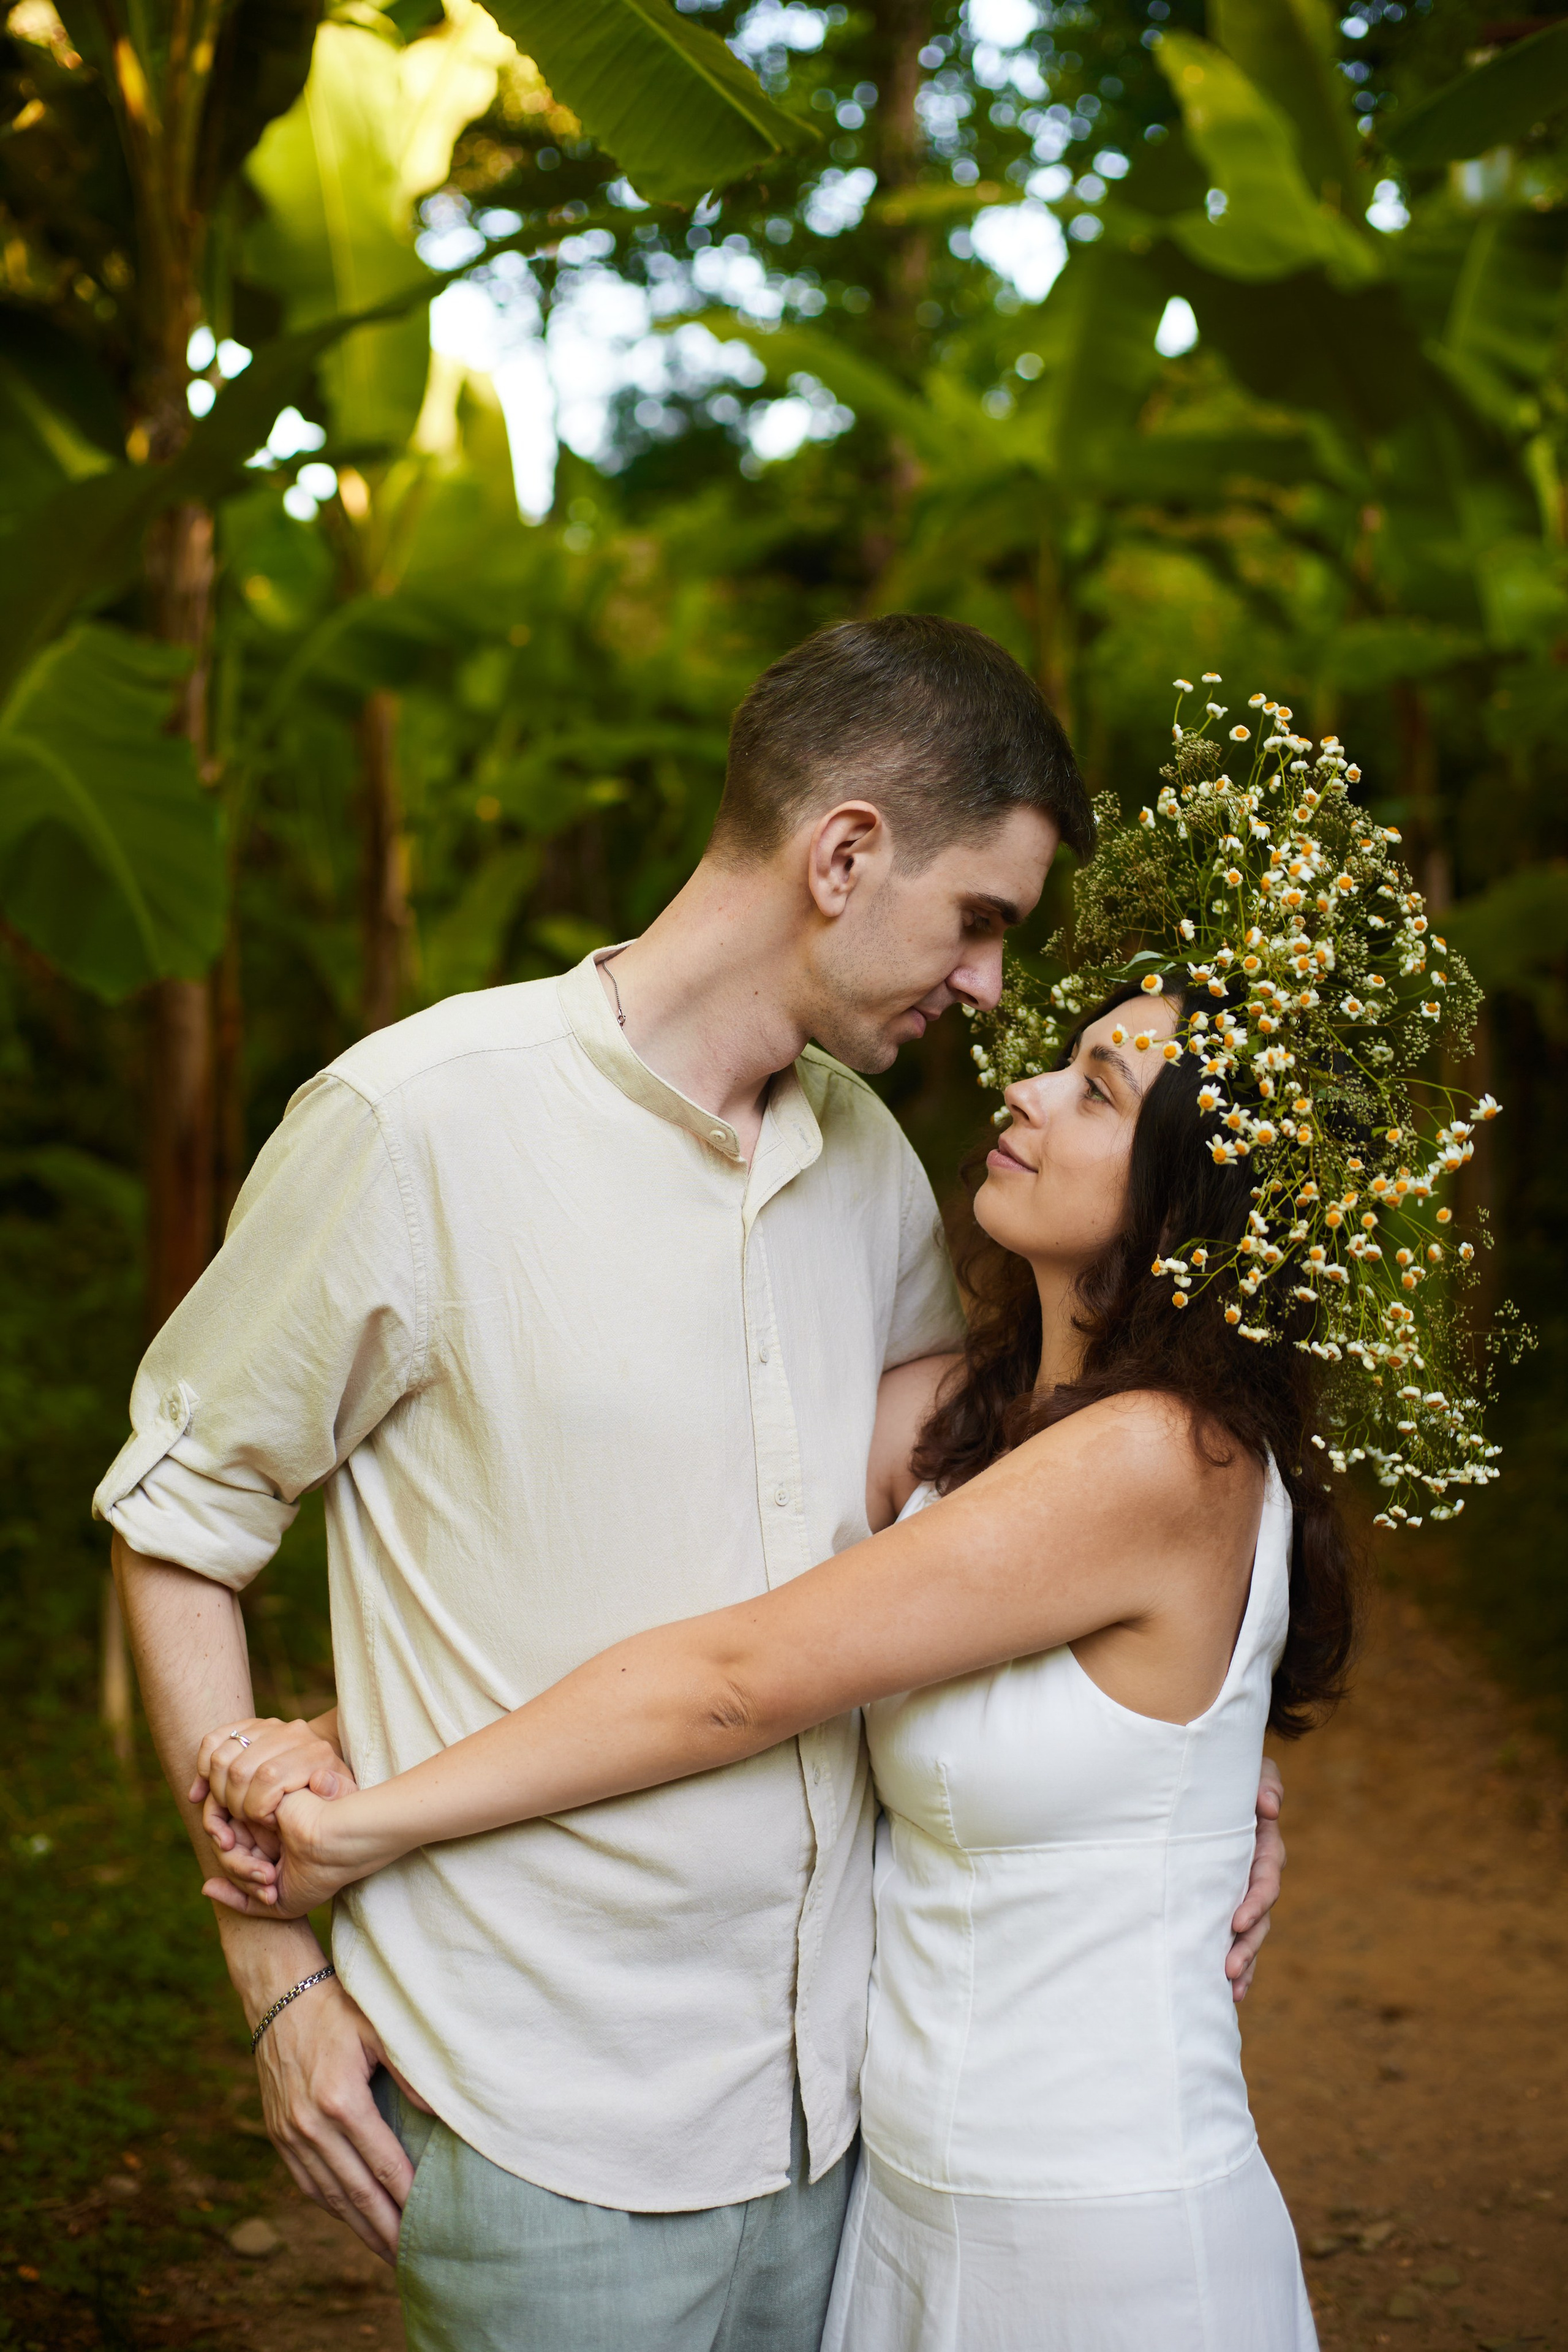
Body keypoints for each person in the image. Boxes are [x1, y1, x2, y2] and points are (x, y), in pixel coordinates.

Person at [97, 616, 1286, 2352]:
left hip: (850, 2124)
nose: (985, 991)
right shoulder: (415, 1122)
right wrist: (276, 1975)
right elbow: (180, 1522)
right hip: (539, 2129)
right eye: (980, 922)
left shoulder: (875, 1166)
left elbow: (998, 1501)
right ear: (846, 853)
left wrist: (1206, 1765)